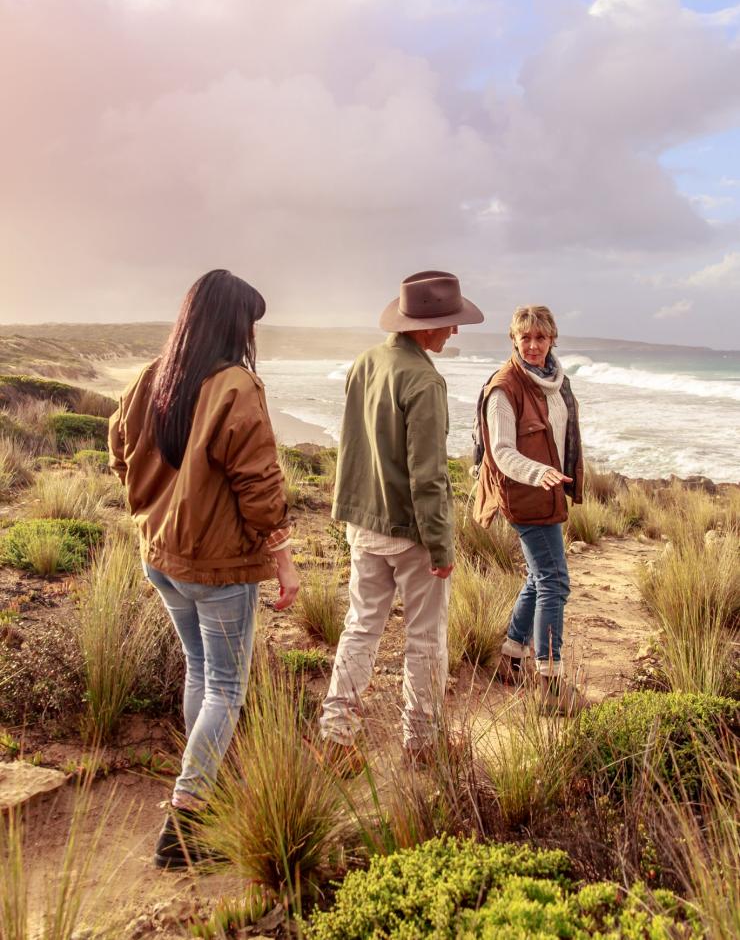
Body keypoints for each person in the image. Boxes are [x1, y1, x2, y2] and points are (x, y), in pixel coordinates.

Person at [109, 269, 299, 869]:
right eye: (248, 322)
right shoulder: (236, 386)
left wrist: (154, 505)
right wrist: (283, 560)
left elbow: (119, 448)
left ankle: (203, 786)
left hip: (161, 557)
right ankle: (186, 818)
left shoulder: (151, 376)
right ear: (230, 322)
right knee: (226, 686)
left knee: (204, 672)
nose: (251, 334)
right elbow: (260, 483)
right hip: (215, 566)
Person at [319, 271, 484, 765]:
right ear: (424, 326)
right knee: (425, 636)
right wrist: (441, 545)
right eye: (448, 323)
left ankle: (335, 734)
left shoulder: (365, 362)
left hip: (362, 522)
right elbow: (428, 476)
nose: (453, 332)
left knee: (361, 626)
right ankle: (422, 742)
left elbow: (351, 443)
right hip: (409, 530)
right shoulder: (425, 380)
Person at [473, 305, 587, 713]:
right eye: (526, 338)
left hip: (548, 490)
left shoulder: (555, 381)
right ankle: (550, 683)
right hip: (524, 493)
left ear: (553, 338)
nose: (534, 345)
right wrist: (538, 473)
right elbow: (501, 451)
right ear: (514, 341)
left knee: (541, 578)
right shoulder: (505, 387)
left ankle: (510, 655)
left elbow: (562, 432)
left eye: (541, 337)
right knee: (556, 581)